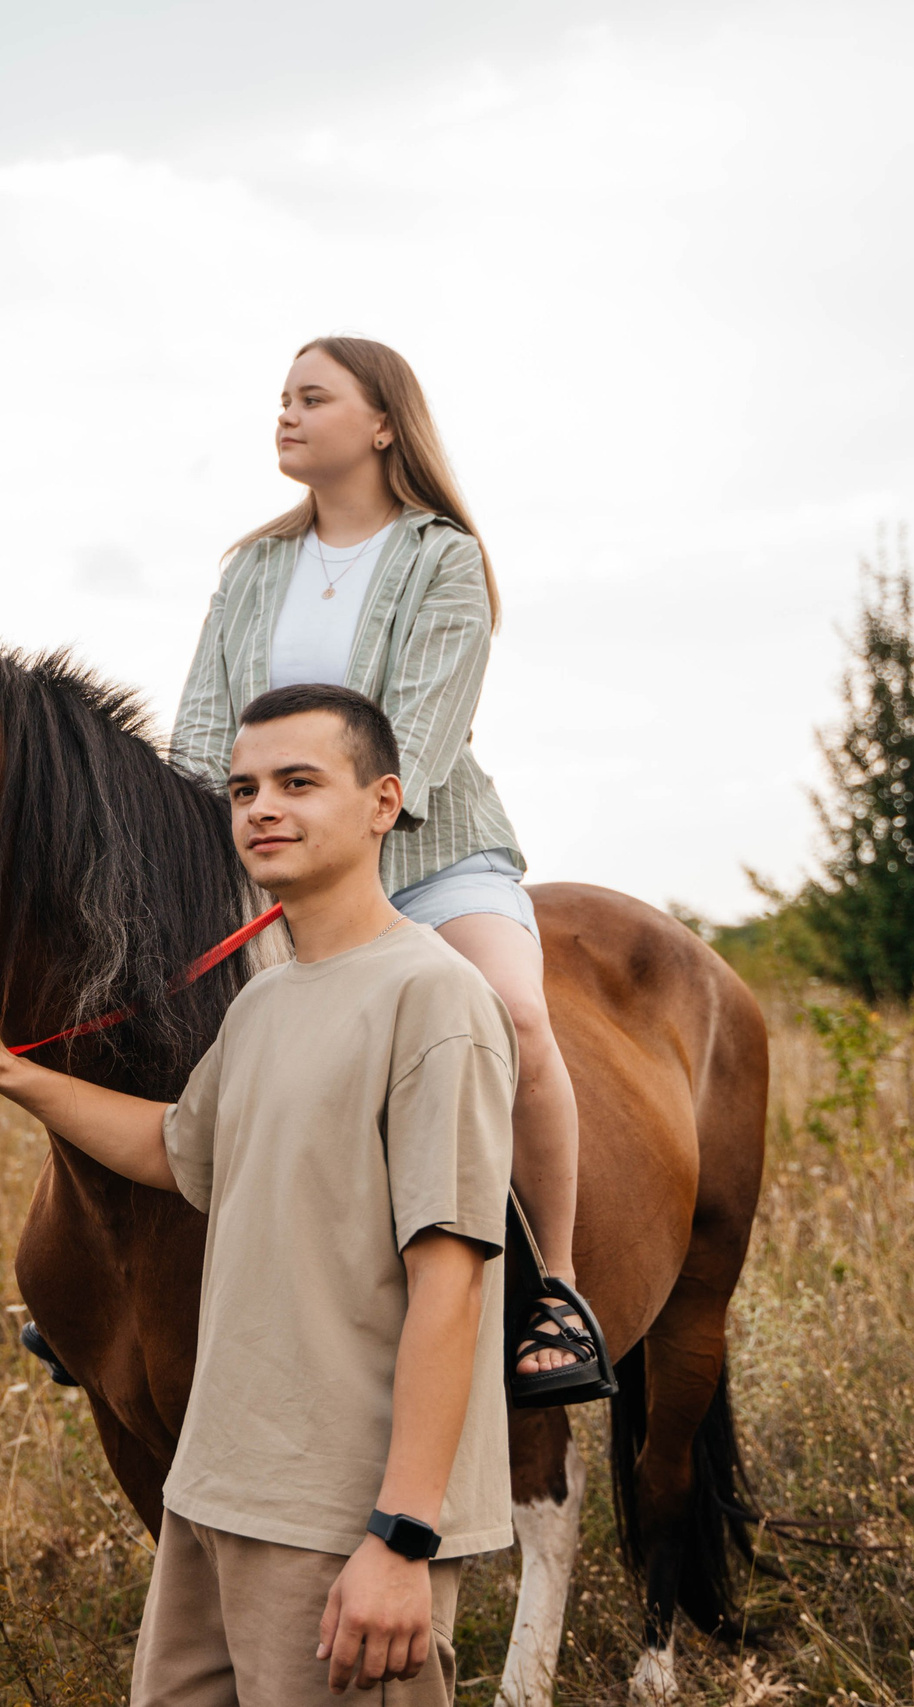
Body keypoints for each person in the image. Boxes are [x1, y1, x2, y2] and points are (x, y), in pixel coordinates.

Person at [0, 685, 515, 1704]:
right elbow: (175, 1149)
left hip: (336, 1514)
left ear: (383, 802)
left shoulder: (434, 996)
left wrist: (403, 1537)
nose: (262, 807)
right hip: (216, 1490)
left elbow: (449, 1284)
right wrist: (5, 1070)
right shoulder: (266, 1000)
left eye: (298, 782)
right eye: (243, 789)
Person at [168, 335, 611, 1406]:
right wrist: (205, 850)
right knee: (165, 1012)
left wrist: (331, 857)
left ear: (380, 423)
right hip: (275, 868)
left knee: (514, 1011)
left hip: (432, 851)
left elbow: (422, 737)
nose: (285, 413)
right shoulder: (252, 570)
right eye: (281, 397)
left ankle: (555, 1288)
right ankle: (127, 1284)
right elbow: (201, 732)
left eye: (311, 397)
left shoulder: (440, 558)